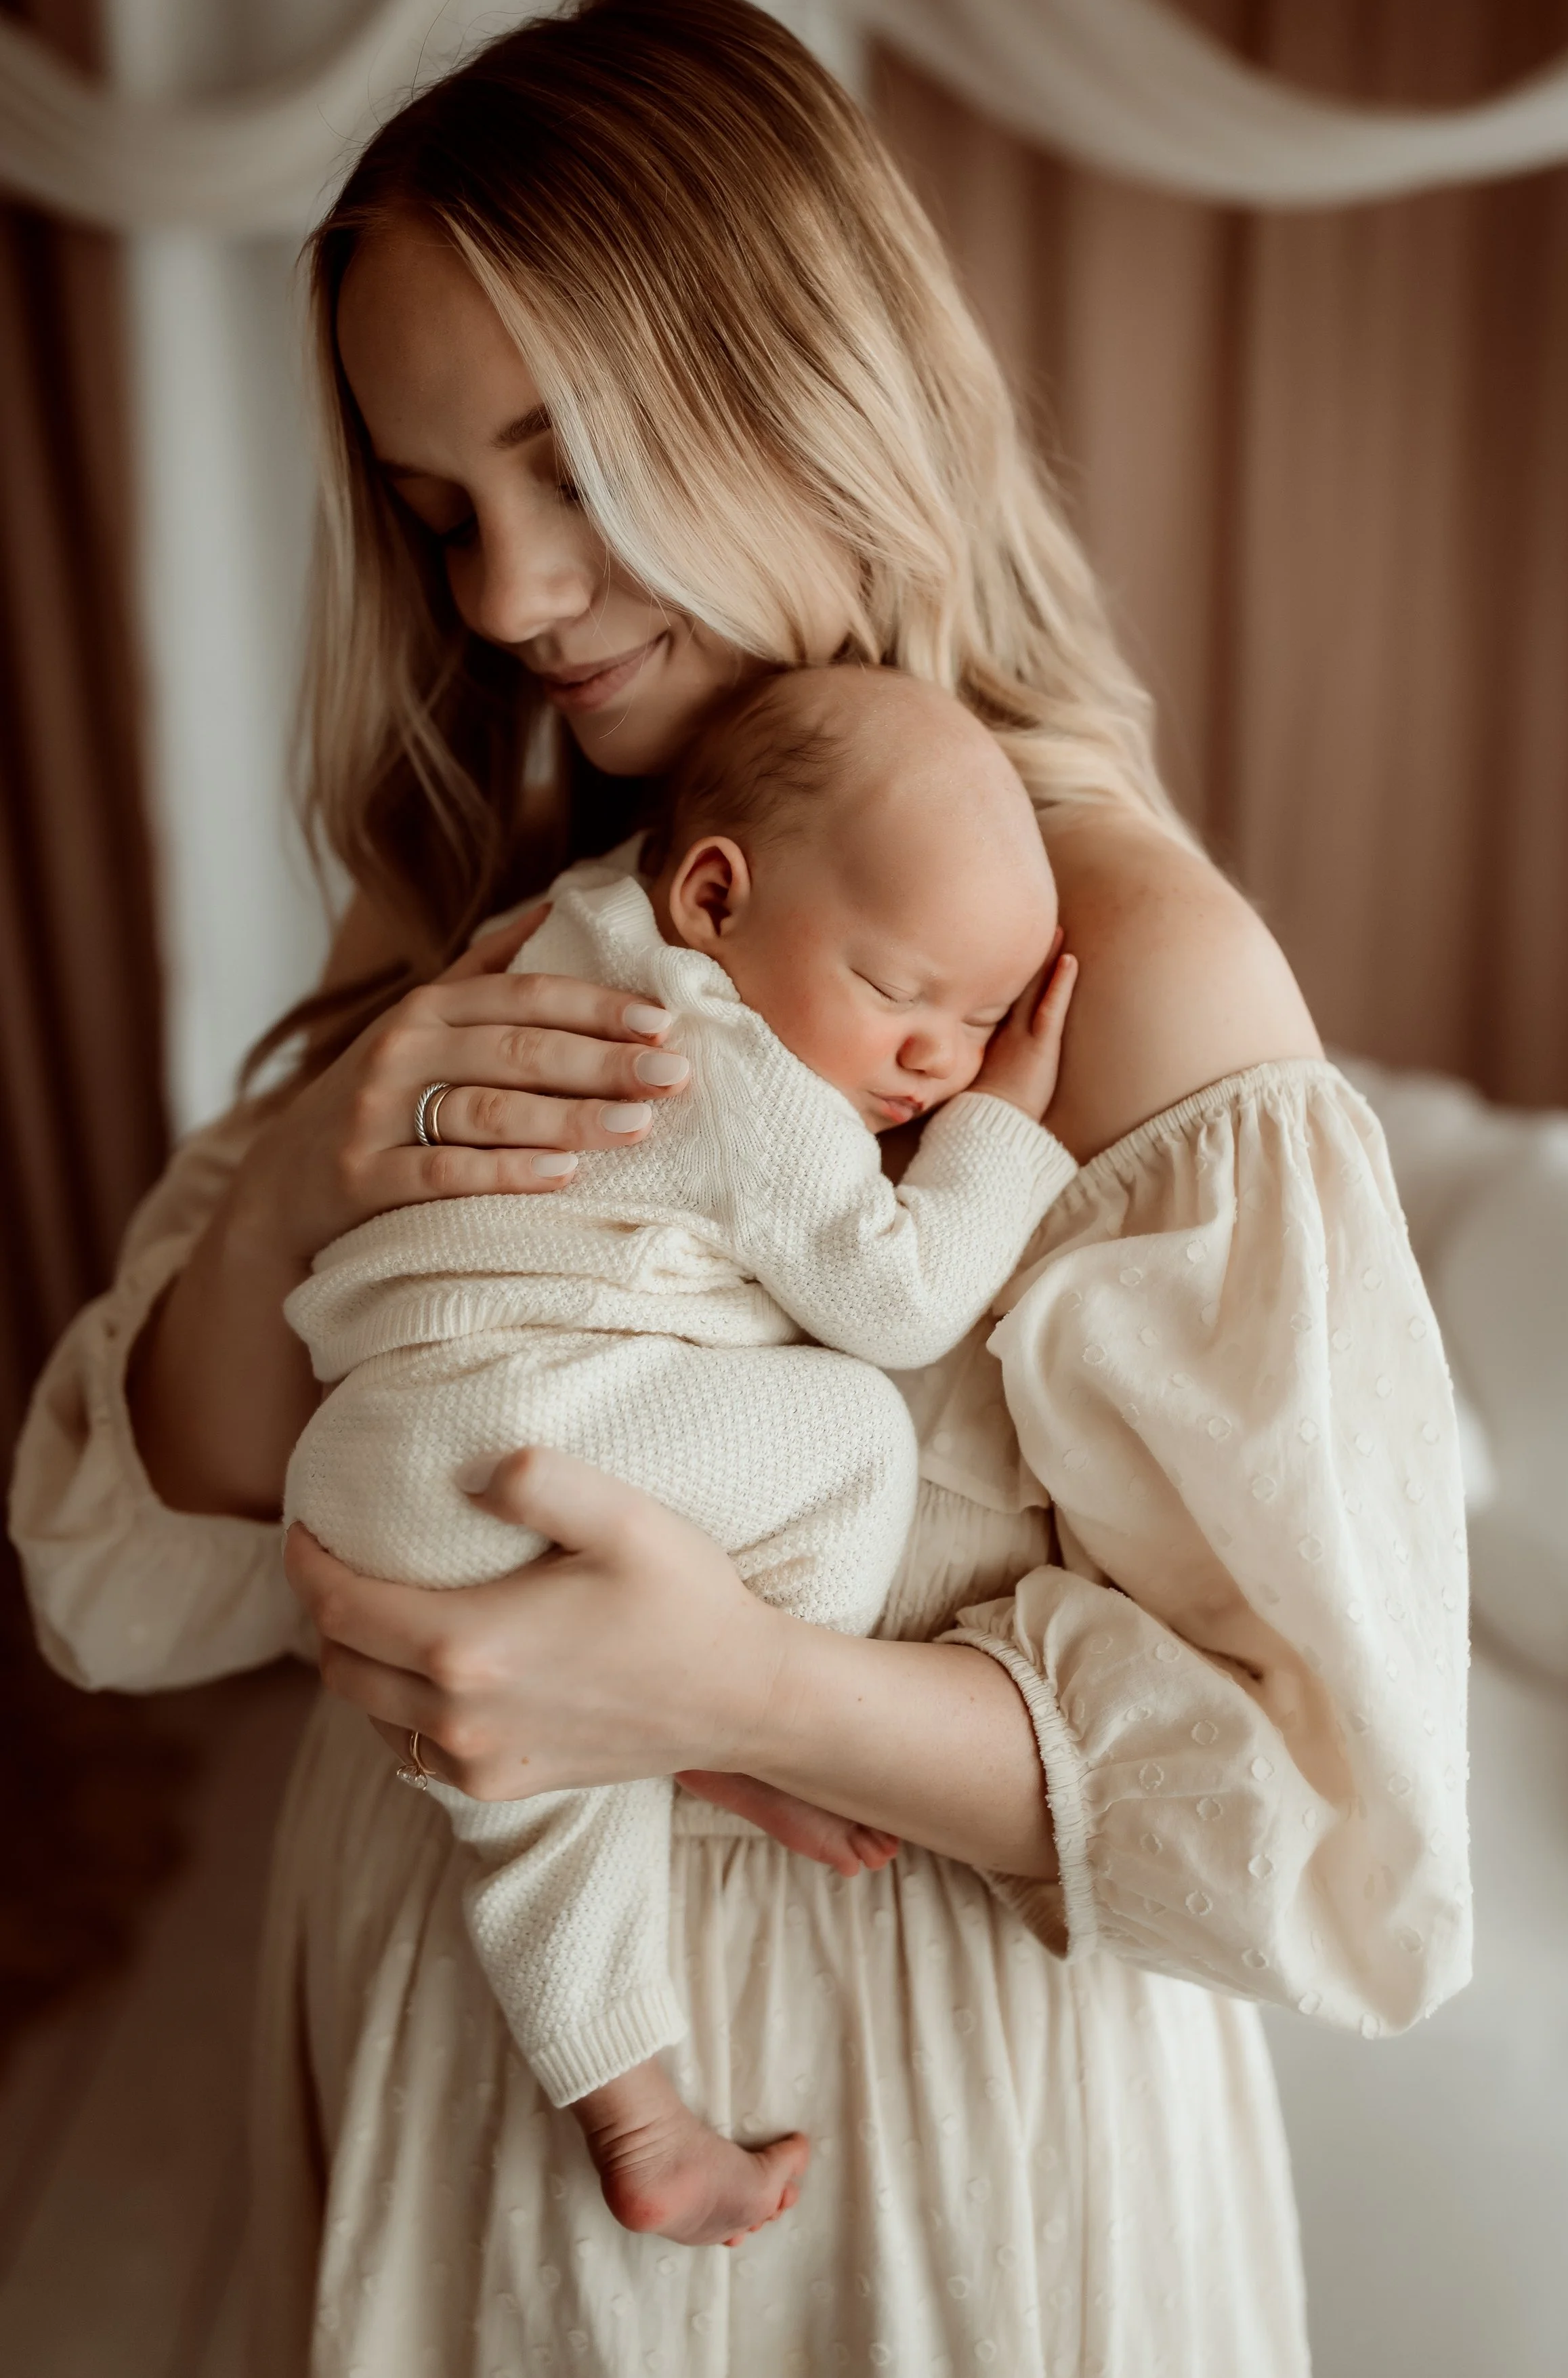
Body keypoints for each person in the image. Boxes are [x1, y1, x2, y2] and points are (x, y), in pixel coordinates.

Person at [9, 0, 1472, 2377]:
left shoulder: (1143, 986)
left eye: (572, 466)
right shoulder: (491, 898)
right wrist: (306, 1174)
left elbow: (1343, 1848)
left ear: (813, 388)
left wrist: (748, 1689)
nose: (500, 597)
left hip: (883, 2133)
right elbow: (123, 1597)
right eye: (437, 508)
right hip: (445, 2063)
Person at [282, 665, 1080, 2247]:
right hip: (506, 1429)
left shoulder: (568, 921)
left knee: (542, 1792)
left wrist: (899, 1009)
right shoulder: (719, 1052)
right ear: (715, 894)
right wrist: (1009, 1122)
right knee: (852, 1430)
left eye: (979, 1025)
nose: (932, 1059)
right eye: (898, 990)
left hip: (380, 1460)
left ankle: (638, 2119)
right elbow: (897, 1298)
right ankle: (742, 1712)